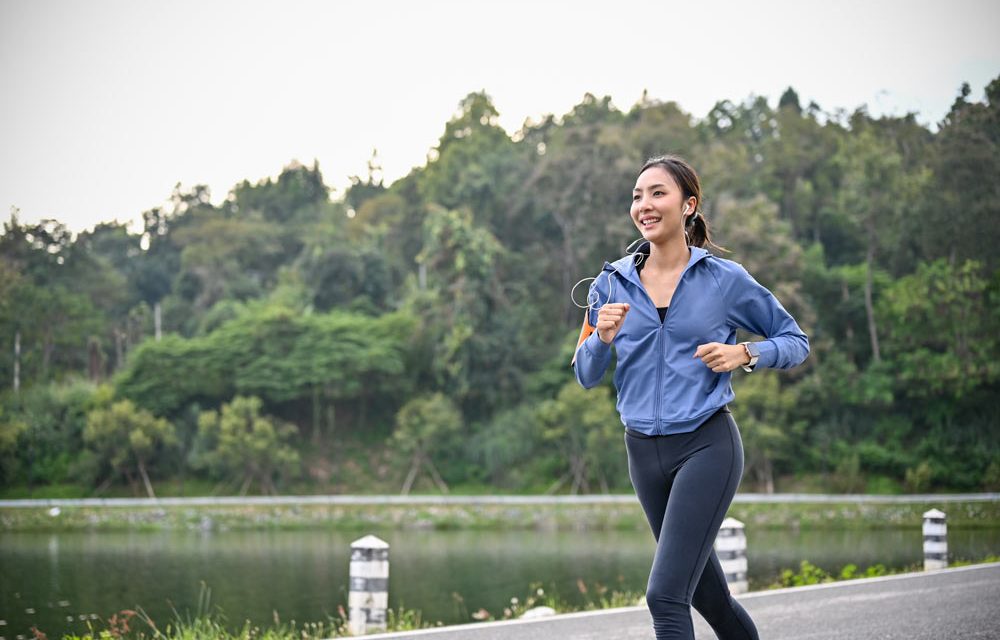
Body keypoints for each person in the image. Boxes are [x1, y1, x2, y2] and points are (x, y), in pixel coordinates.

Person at [572, 155, 809, 639]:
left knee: (665, 595)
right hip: (642, 452)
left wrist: (746, 352)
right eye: (638, 195)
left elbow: (794, 340)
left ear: (689, 205)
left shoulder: (723, 280)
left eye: (658, 193)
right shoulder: (609, 284)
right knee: (710, 600)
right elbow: (585, 373)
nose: (645, 205)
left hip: (707, 444)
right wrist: (602, 337)